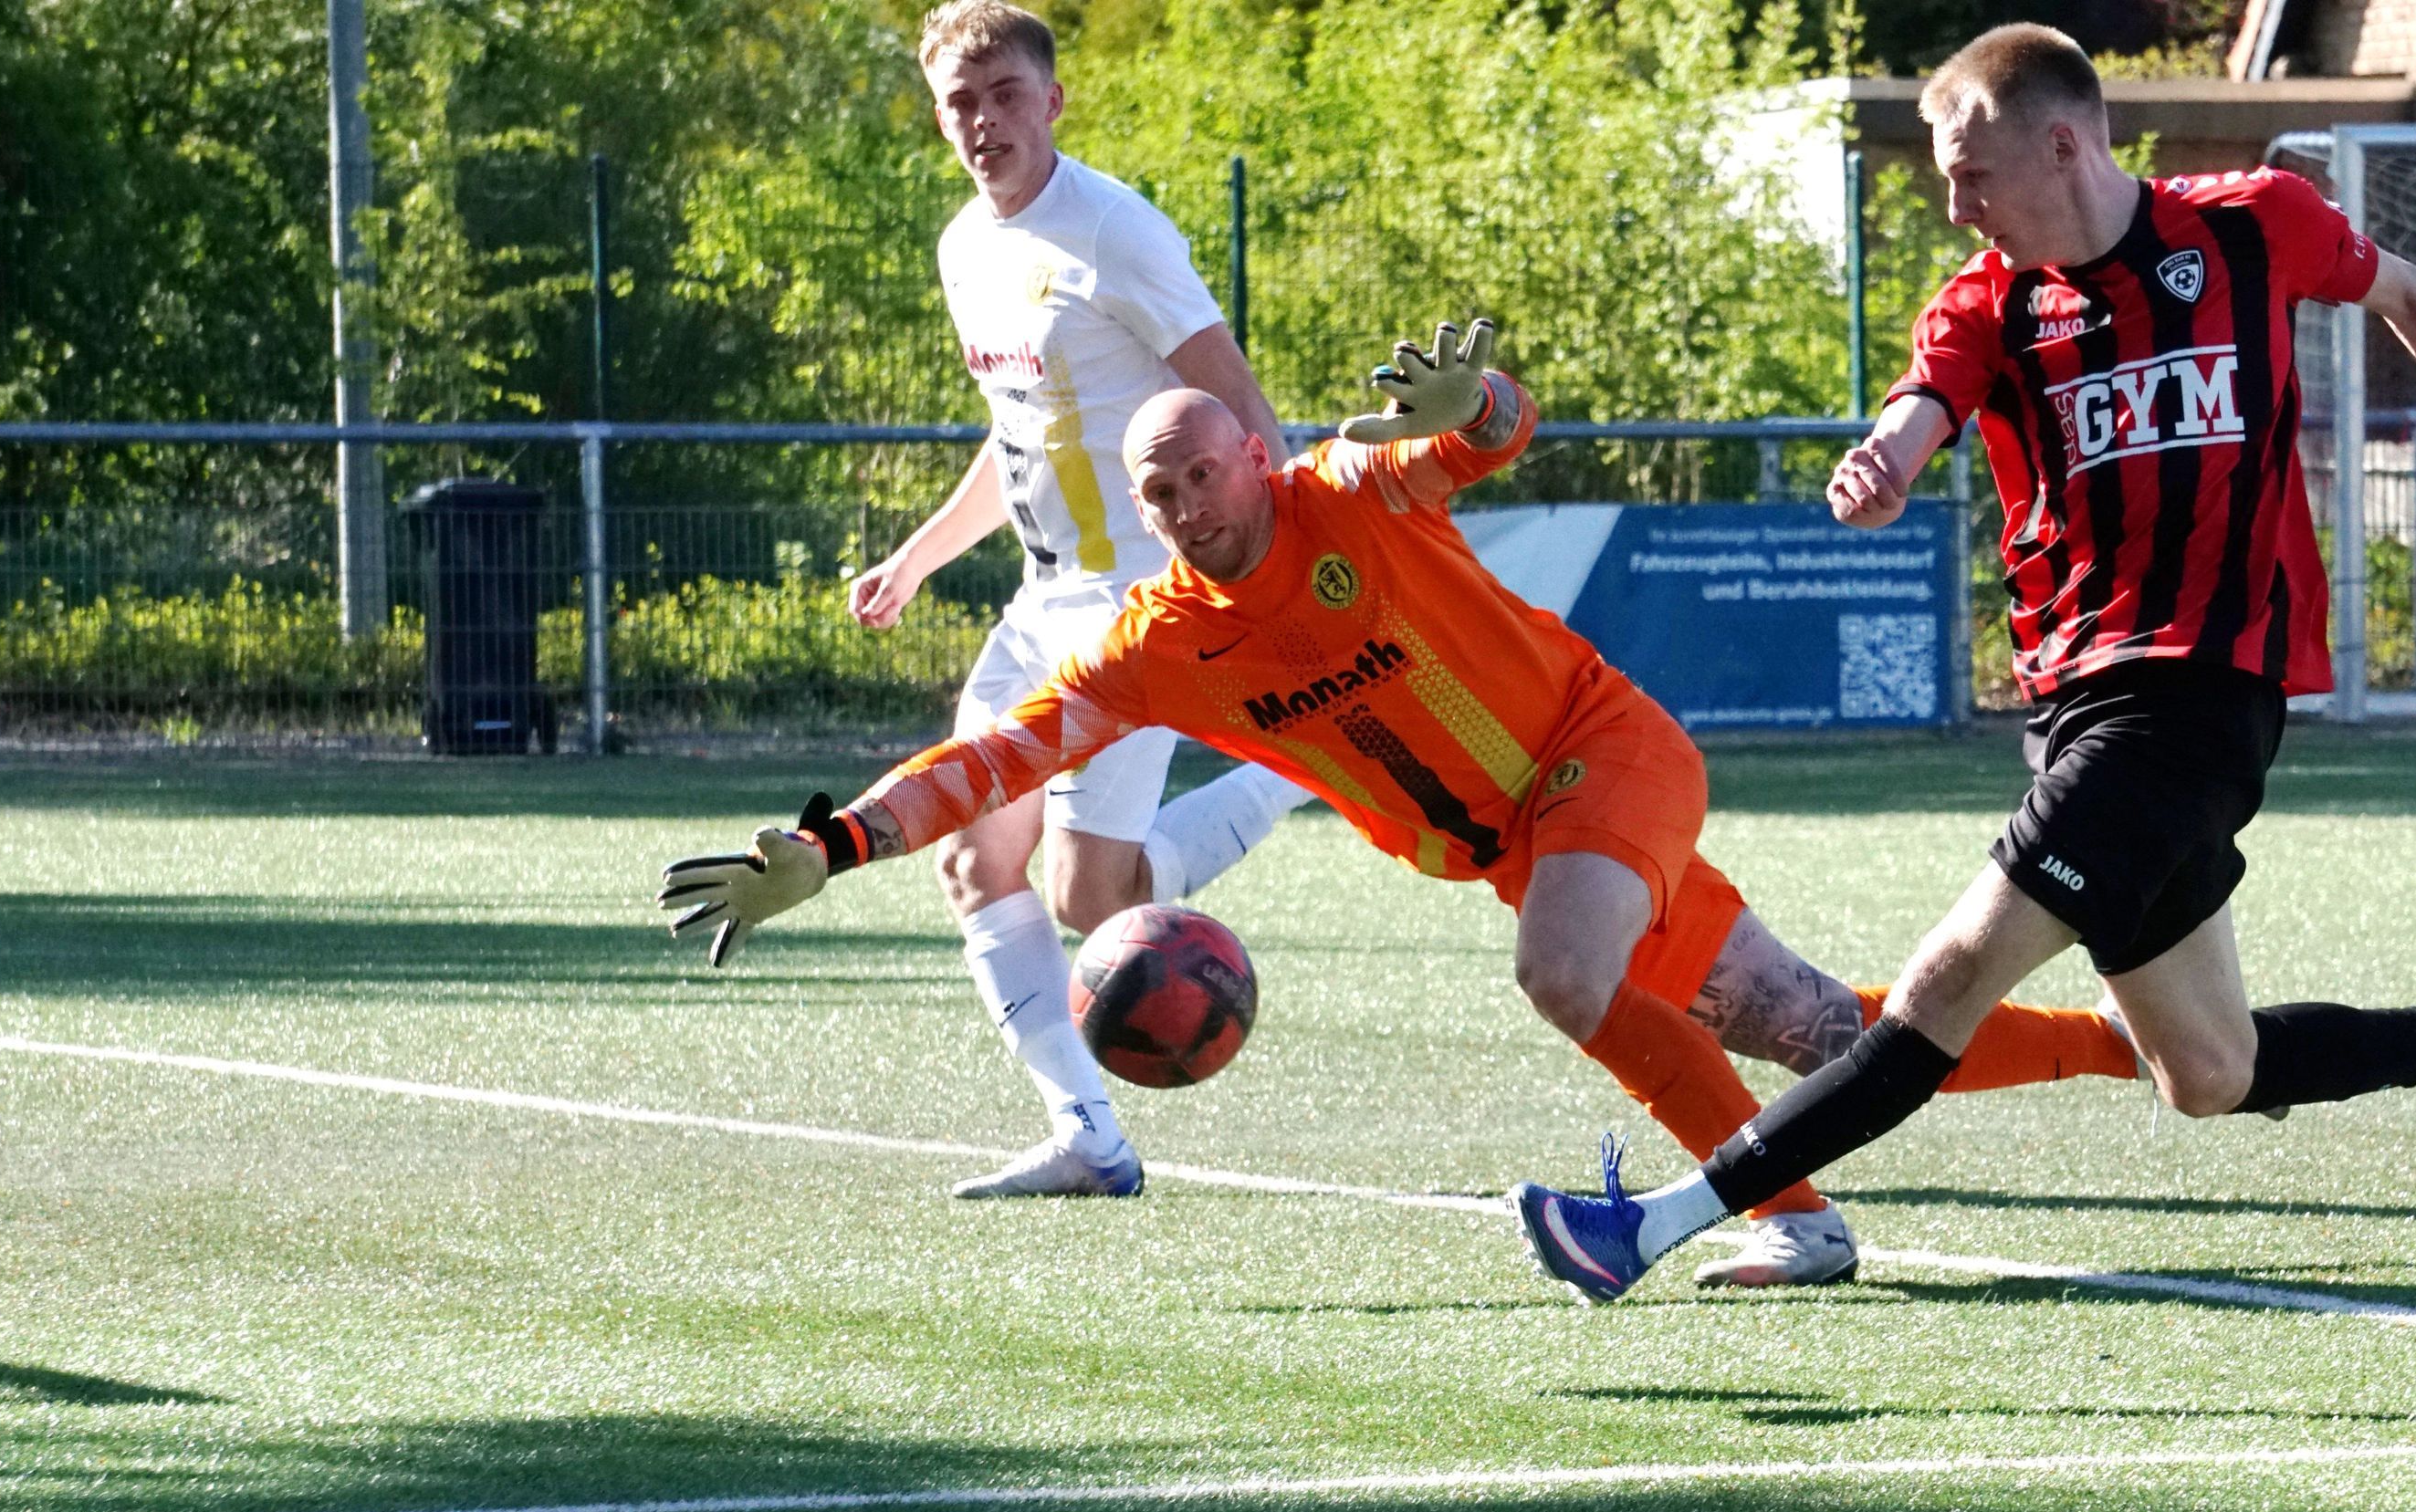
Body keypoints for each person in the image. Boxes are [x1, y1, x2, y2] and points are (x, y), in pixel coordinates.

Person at [1511, 24, 2416, 1304]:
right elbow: (1927, 402)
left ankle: (1648, 1226)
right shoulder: (1990, 300)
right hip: (2073, 707)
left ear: (2063, 143)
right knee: (2208, 1072)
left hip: (2202, 696)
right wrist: (1889, 462)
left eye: (1972, 175)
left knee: (1949, 976)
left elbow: (2409, 297)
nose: (1958, 206)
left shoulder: (2255, 224)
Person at [660, 324, 2145, 1288]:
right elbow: (993, 764)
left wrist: (1483, 400)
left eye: (1199, 468)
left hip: (1601, 748)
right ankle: (2125, 1050)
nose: (1184, 503)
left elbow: (1482, 435)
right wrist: (833, 847)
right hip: (1521, 840)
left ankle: (1782, 1223)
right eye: (1155, 492)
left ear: (1253, 450)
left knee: (1565, 975)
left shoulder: (1345, 493)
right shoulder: (1157, 643)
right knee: (1818, 1030)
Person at [841, 0, 1319, 1200]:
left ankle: (1280, 775)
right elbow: (1018, 437)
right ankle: (1089, 1136)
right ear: (940, 117)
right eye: (962, 103)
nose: (985, 121)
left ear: (1052, 102)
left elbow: (1243, 414)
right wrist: (921, 556)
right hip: (1037, 605)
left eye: (1007, 96)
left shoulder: (1114, 229)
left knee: (1087, 896)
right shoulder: (964, 248)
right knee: (971, 861)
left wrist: (1280, 579)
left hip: (1138, 603)